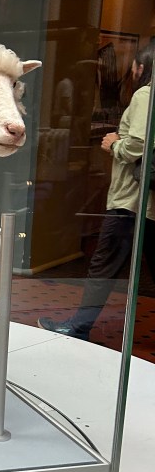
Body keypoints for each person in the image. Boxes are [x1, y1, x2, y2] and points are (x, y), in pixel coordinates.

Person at [38, 41, 155, 340]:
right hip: (146, 203)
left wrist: (114, 144)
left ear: (141, 67)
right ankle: (80, 325)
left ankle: (79, 327)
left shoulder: (145, 94)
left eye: (133, 64)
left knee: (102, 267)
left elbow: (139, 143)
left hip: (131, 200)